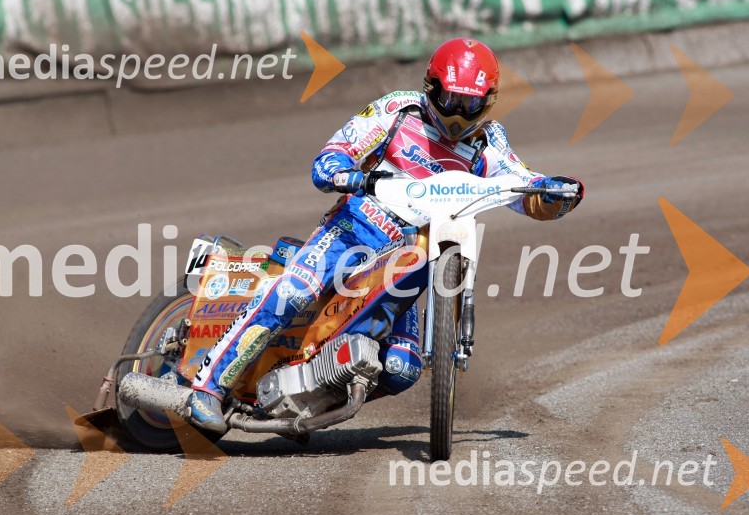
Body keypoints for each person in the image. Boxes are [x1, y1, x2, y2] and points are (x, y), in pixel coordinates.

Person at [188, 37, 584, 432]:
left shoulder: (488, 142)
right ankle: (207, 387)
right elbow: (336, 151)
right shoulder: (398, 108)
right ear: (431, 88)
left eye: (470, 104)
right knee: (294, 290)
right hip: (354, 227)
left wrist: (554, 193)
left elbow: (522, 184)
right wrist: (342, 171)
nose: (459, 114)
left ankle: (308, 403)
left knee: (402, 367)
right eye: (451, 100)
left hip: (411, 257)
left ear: (489, 100)